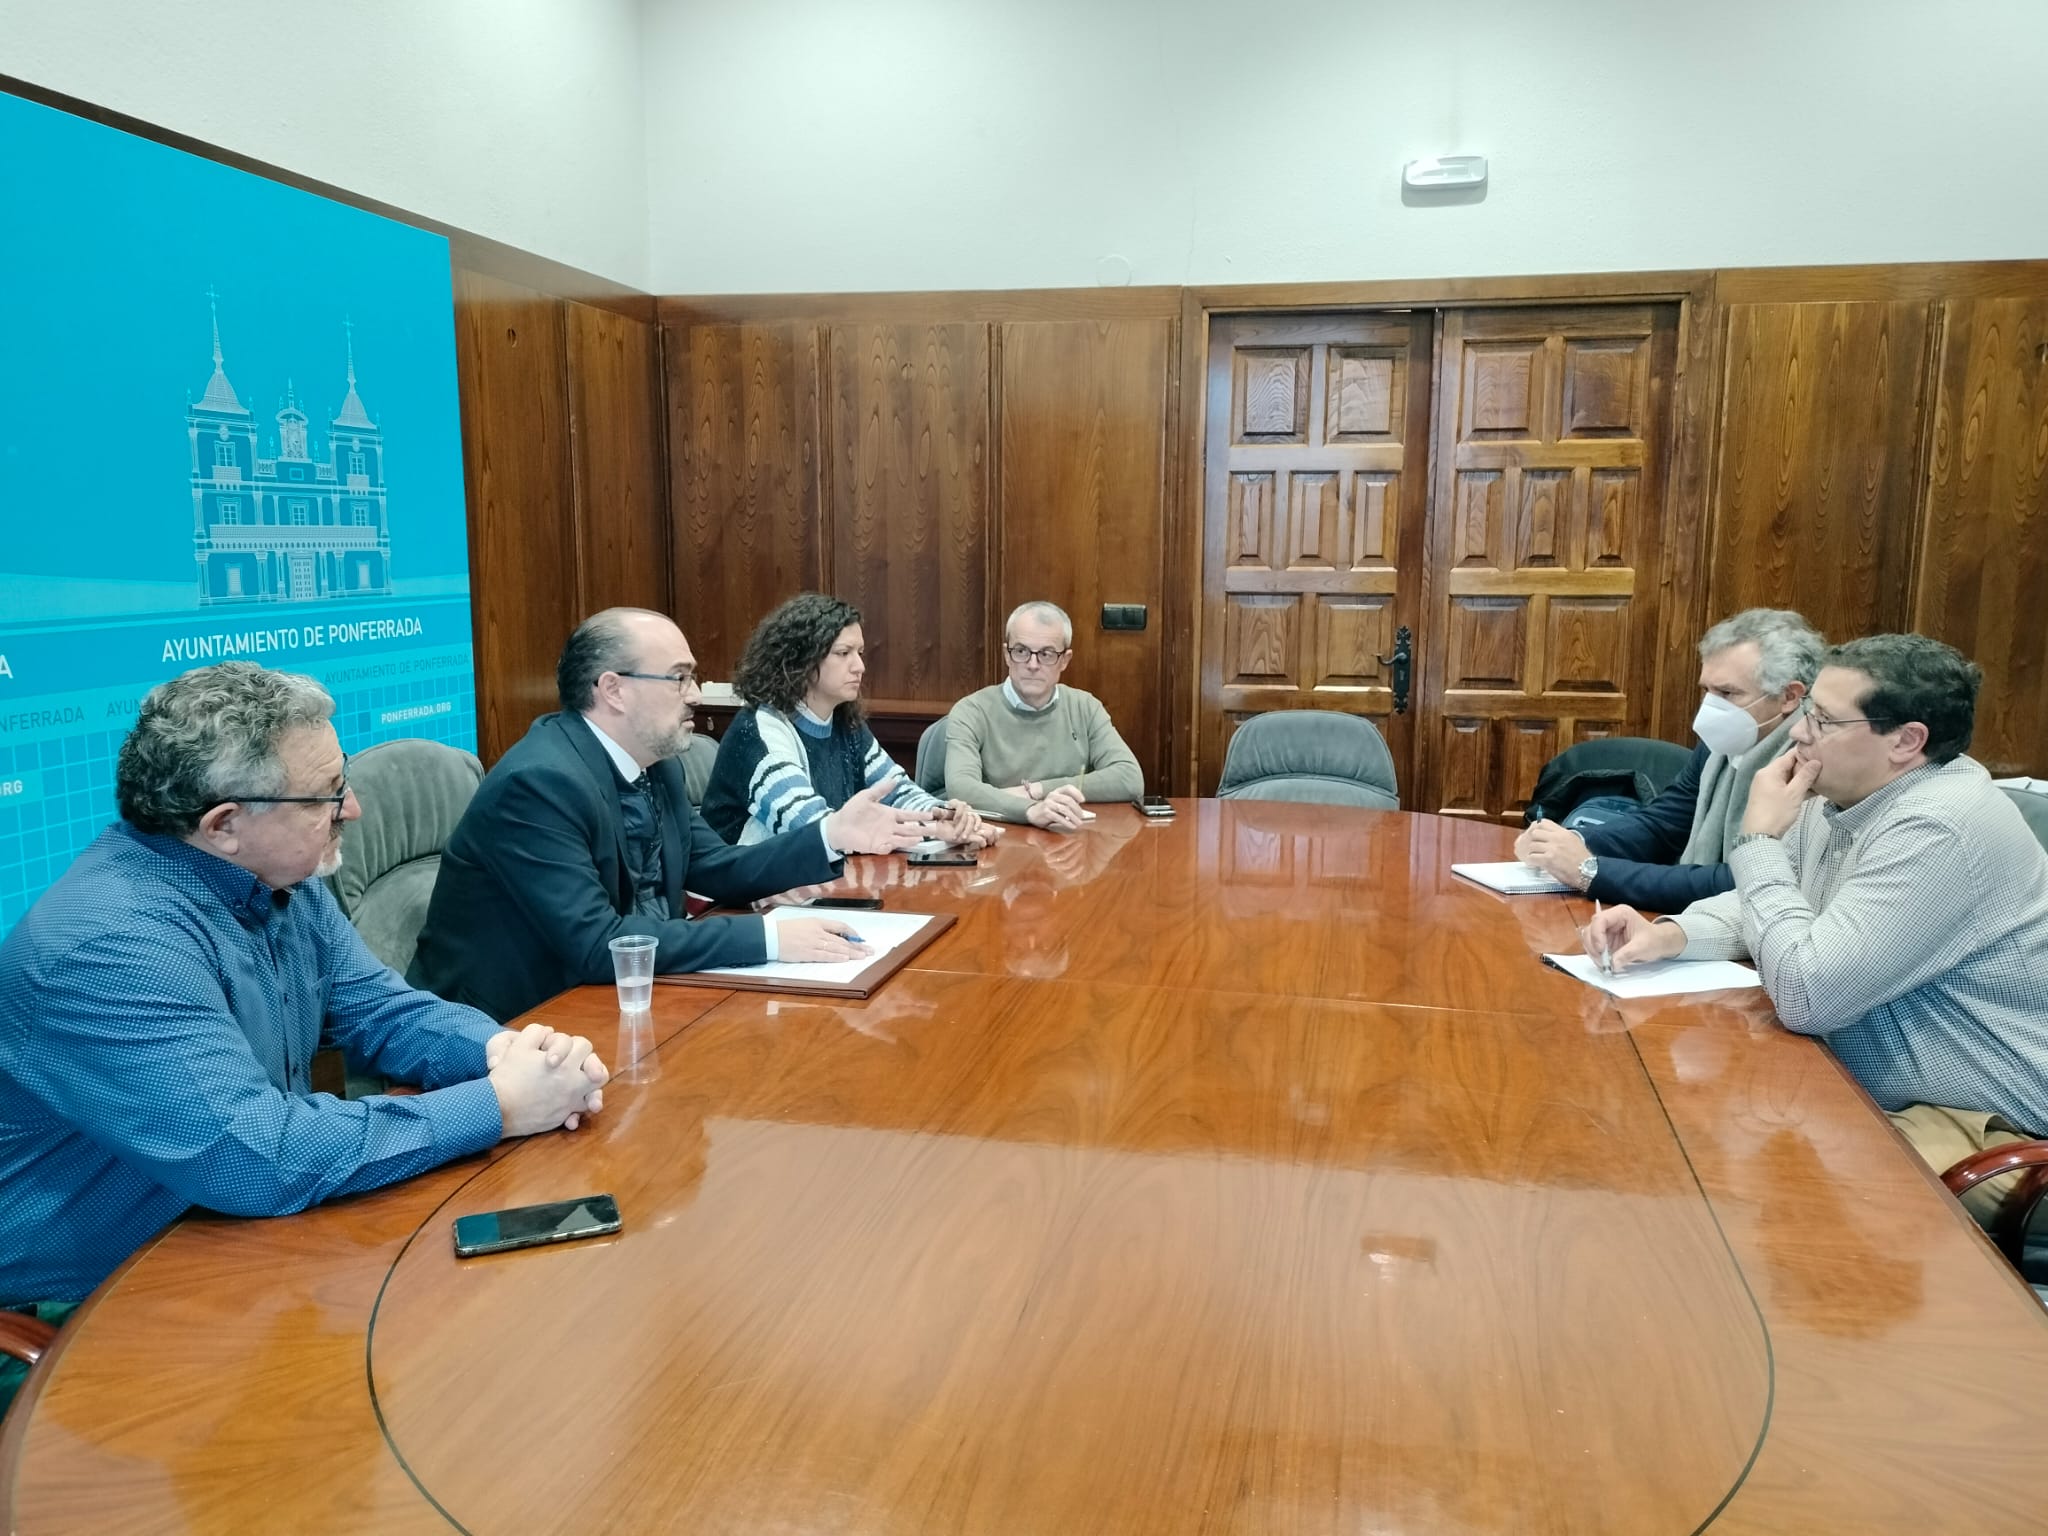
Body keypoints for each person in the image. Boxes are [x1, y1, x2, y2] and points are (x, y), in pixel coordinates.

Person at [0, 663, 608, 1359]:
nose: (352, 809)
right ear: (225, 824)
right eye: (326, 794)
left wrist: (506, 1053)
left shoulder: (279, 876)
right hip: (86, 1307)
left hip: (231, 1235)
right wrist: (497, 1106)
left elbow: (381, 1009)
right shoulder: (109, 948)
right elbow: (260, 1155)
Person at [1586, 635, 2048, 1222]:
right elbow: (1778, 900)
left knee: (1770, 1196)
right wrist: (1675, 934)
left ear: (1906, 741)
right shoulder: (1845, 792)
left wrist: (1757, 840)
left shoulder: (1942, 828)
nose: (1801, 733)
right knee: (1687, 1133)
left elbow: (1808, 994)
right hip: (1860, 1077)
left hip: (1984, 1121)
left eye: (1825, 720)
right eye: (1808, 713)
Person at [411, 608, 936, 1023]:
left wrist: (831, 835)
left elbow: (717, 866)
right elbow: (600, 944)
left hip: (619, 1003)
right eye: (680, 678)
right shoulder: (540, 785)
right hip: (508, 1025)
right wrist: (772, 939)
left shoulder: (654, 764)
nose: (696, 695)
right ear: (613, 689)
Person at [1517, 608, 1823, 908]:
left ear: (1789, 697)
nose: (1711, 707)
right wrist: (1570, 841)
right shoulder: (1721, 743)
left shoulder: (1813, 765)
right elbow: (1663, 824)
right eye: (1707, 690)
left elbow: (1743, 882)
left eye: (1727, 693)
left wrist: (1591, 871)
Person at [702, 592, 997, 849]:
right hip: (732, 901)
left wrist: (945, 817)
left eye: (859, 653)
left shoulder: (844, 722)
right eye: (843, 653)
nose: (860, 666)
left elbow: (897, 791)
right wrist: (928, 830)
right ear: (800, 660)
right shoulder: (762, 729)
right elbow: (813, 827)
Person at [942, 600, 1145, 830]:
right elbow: (961, 788)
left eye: (1047, 654)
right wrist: (1030, 809)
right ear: (1007, 655)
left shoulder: (1085, 707)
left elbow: (1129, 778)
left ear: (1064, 660)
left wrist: (1037, 790)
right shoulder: (971, 711)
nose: (1032, 664)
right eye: (1021, 651)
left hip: (1068, 844)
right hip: (996, 843)